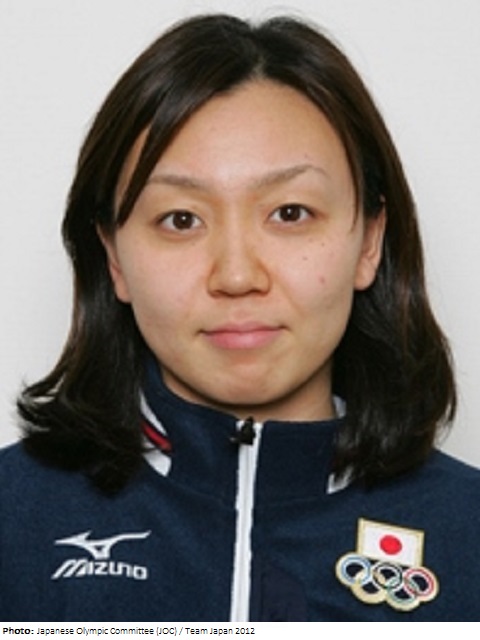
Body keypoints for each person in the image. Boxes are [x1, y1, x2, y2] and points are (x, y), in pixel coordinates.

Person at [0, 13, 478, 622]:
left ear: (370, 242)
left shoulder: (468, 532)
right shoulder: (13, 519)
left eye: (290, 213)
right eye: (181, 220)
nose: (235, 275)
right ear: (114, 257)